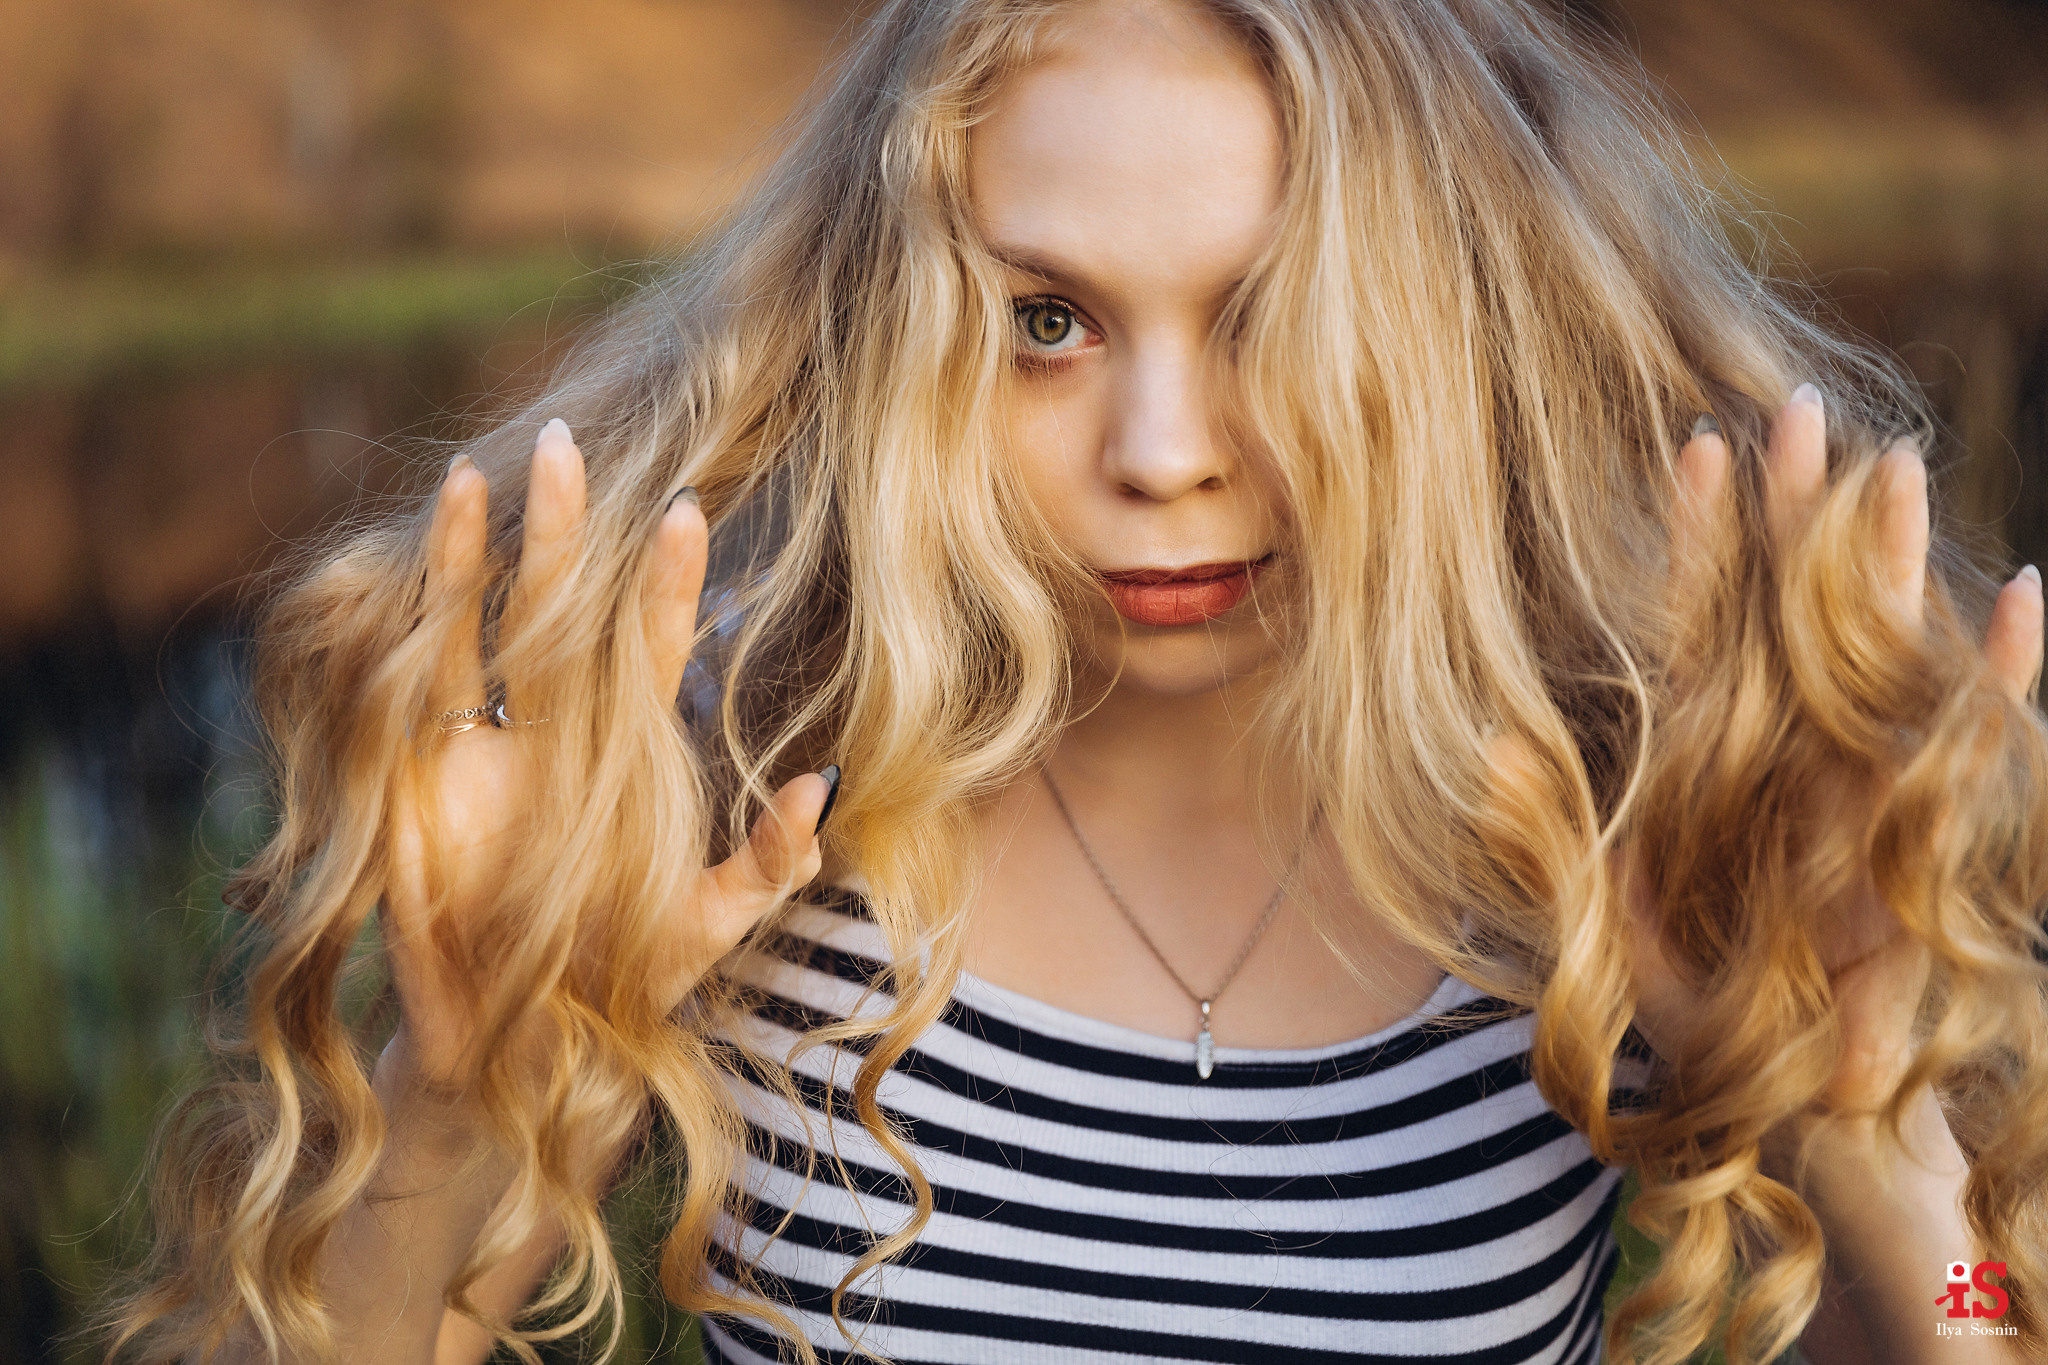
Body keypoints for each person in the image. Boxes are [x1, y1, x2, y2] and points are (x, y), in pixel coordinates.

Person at [108, 0, 2048, 1362]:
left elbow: (1969, 1328)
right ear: (908, 327)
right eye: (1043, 319)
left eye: (1270, 315)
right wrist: (450, 1101)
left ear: (1431, 330)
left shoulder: (1606, 832)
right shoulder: (747, 794)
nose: (1159, 448)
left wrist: (1876, 1140)